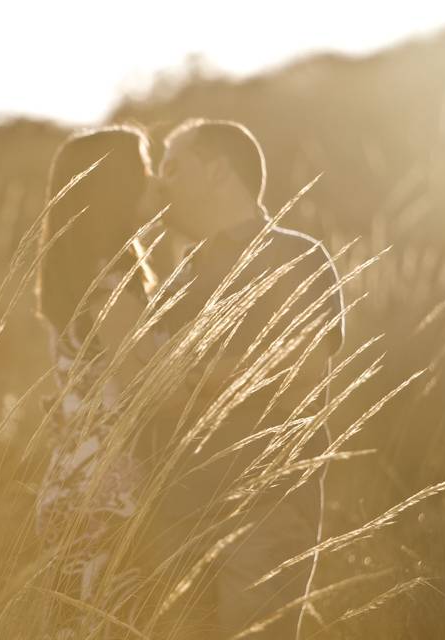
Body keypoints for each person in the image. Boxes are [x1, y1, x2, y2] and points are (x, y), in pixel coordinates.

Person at [140, 119, 346, 639]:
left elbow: (302, 374)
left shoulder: (297, 257)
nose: (160, 182)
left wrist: (193, 378)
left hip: (265, 512)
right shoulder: (178, 278)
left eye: (172, 167)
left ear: (216, 171)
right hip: (177, 516)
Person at [33, 125, 161, 637]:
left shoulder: (78, 279)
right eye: (146, 170)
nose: (156, 183)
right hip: (112, 491)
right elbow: (157, 388)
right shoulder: (111, 285)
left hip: (75, 483)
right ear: (118, 188)